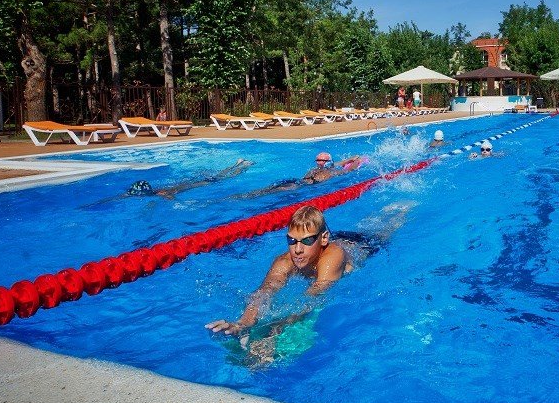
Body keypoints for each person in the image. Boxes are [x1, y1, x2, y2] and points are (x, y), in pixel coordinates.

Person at [206, 203, 412, 354]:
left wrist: (277, 328)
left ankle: (404, 208)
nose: (297, 249)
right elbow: (265, 291)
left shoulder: (333, 257)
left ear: (323, 239)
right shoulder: (284, 261)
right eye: (292, 241)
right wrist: (243, 323)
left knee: (385, 227)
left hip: (365, 245)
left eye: (306, 241)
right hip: (335, 237)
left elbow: (314, 295)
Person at [243, 152, 367, 198]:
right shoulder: (331, 171)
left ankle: (249, 195)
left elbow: (340, 164)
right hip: (300, 185)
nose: (319, 162)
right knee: (271, 190)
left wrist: (352, 159)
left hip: (297, 182)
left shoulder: (320, 169)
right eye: (318, 160)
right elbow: (348, 169)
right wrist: (357, 161)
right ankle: (249, 195)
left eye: (321, 160)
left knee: (270, 189)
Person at [120, 159, 252, 200]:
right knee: (220, 174)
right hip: (195, 181)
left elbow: (171, 198)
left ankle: (243, 166)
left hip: (202, 183)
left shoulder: (163, 192)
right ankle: (237, 163)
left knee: (227, 176)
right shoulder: (158, 190)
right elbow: (126, 195)